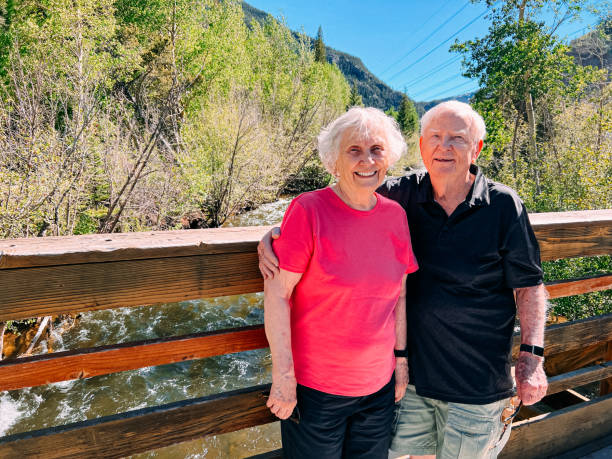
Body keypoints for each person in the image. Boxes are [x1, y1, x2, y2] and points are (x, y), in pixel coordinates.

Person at [259, 101, 548, 459]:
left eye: (458, 138)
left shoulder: (501, 205)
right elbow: (338, 203)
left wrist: (532, 358)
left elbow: (529, 285)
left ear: (477, 148)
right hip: (406, 386)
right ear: (422, 147)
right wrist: (276, 234)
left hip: (473, 383)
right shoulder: (401, 195)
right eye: (436, 137)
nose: (445, 147)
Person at [263, 107, 419, 459]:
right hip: (316, 392)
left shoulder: (395, 216)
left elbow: (400, 296)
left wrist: (400, 363)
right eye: (354, 150)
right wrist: (283, 376)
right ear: (334, 161)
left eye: (377, 149)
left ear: (389, 158)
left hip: (377, 391)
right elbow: (277, 295)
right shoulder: (308, 210)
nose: (367, 160)